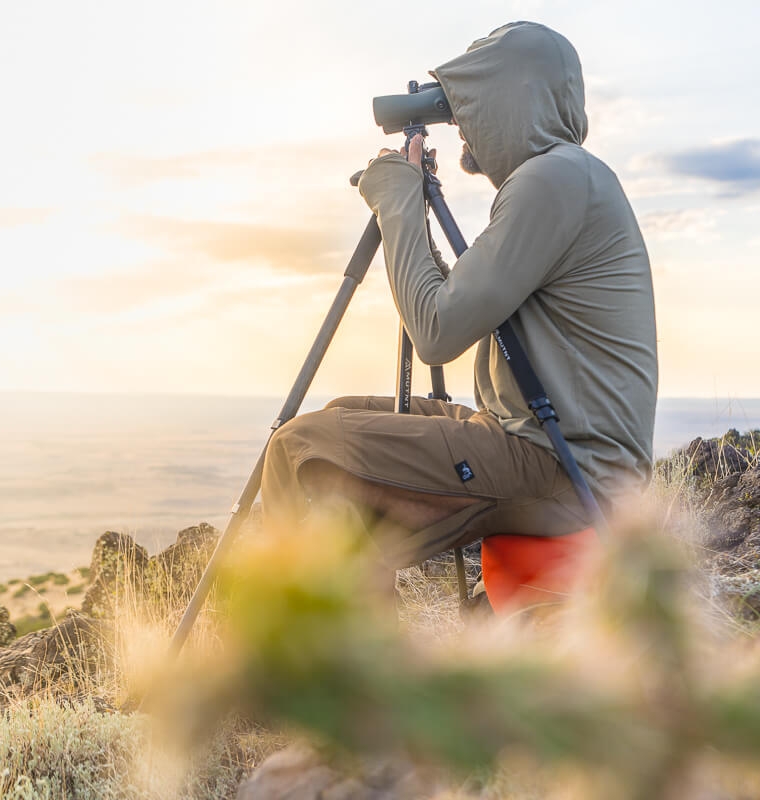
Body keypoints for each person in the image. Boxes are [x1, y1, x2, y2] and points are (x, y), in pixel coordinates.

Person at [260, 21, 658, 609]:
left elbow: (437, 331)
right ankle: (367, 630)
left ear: (510, 103)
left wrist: (397, 200)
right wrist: (410, 204)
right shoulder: (573, 177)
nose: (464, 123)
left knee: (298, 449)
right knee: (342, 416)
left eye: (471, 105)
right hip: (558, 448)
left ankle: (325, 656)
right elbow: (467, 302)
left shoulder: (554, 178)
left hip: (560, 465)